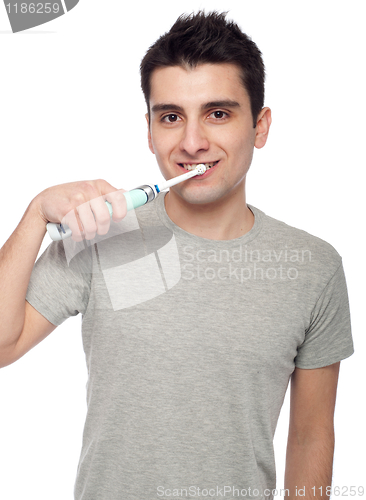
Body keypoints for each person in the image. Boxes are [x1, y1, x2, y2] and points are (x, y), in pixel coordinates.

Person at [0, 11, 354, 500]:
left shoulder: (313, 267)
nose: (191, 143)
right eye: (171, 117)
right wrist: (36, 214)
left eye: (218, 113)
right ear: (149, 130)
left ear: (261, 126)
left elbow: (311, 435)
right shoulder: (102, 234)